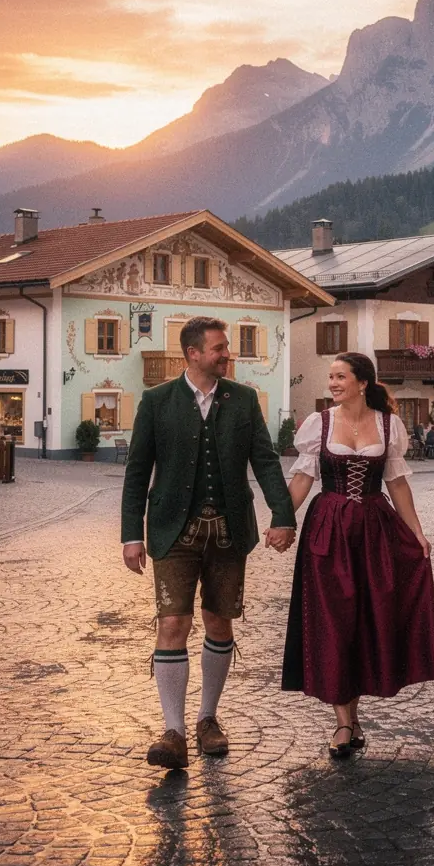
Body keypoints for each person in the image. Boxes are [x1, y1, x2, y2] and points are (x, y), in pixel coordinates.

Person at [121, 316, 297, 769]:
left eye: (226, 348)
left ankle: (207, 719)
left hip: (228, 531)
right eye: (219, 348)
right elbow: (138, 471)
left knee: (220, 625)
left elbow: (265, 459)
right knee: (172, 624)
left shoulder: (243, 400)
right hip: (171, 531)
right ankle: (174, 731)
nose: (227, 355)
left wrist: (283, 513)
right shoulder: (157, 401)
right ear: (193, 354)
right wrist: (130, 535)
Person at [279, 352, 434, 757]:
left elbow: (398, 485)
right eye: (331, 377)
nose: (333, 383)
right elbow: (304, 478)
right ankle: (343, 722)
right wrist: (282, 520)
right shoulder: (318, 424)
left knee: (366, 619)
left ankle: (352, 717)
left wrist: (417, 533)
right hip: (329, 527)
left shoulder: (389, 425)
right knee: (335, 620)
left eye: (340, 377)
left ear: (361, 382)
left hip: (375, 528)